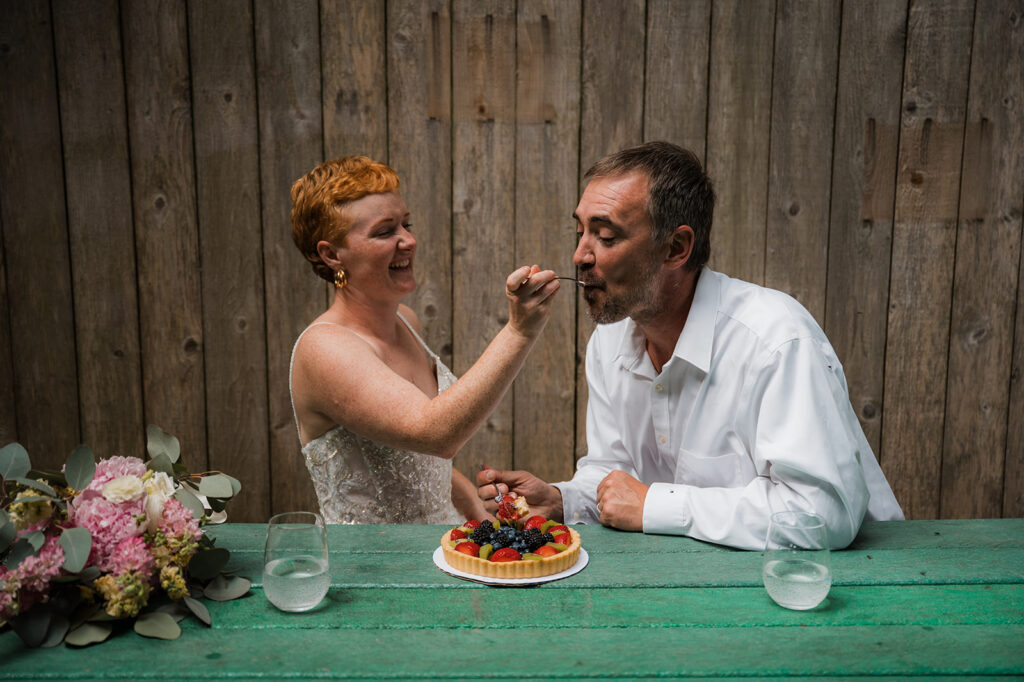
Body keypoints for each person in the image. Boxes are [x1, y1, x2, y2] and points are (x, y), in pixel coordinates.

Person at [477, 141, 903, 550]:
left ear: (676, 248)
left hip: (845, 591)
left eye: (605, 237)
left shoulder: (775, 340)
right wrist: (562, 500)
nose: (579, 256)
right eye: (580, 231)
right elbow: (616, 480)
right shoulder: (610, 342)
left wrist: (654, 507)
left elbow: (821, 514)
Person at [289, 156, 560, 524]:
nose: (409, 241)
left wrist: (474, 507)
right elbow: (434, 433)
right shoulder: (324, 348)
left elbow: (411, 458)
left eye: (407, 224)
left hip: (444, 546)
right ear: (332, 254)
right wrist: (519, 331)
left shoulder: (407, 321)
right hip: (376, 567)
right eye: (385, 232)